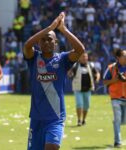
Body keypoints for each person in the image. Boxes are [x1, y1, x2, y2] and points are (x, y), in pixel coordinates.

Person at [23, 12, 85, 150]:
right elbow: (27, 46)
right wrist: (49, 28)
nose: (46, 42)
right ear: (38, 43)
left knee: (52, 147)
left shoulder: (62, 59)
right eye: (43, 40)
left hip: (55, 119)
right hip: (36, 119)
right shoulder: (34, 58)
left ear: (56, 42)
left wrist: (63, 30)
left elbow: (80, 50)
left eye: (50, 39)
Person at [67, 52, 100, 126]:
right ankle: (79, 120)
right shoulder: (75, 65)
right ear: (79, 58)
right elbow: (69, 73)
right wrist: (70, 73)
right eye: (83, 57)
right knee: (79, 104)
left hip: (88, 89)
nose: (84, 58)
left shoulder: (91, 65)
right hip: (78, 89)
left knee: (86, 106)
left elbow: (97, 73)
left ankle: (83, 120)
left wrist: (97, 78)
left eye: (86, 56)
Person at [103, 49, 126, 148]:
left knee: (123, 121)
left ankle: (116, 123)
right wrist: (114, 80)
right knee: (117, 119)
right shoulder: (111, 68)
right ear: (118, 57)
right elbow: (104, 82)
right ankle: (117, 141)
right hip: (115, 97)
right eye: (124, 55)